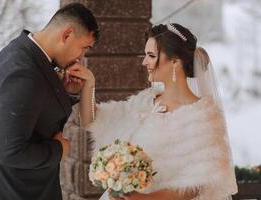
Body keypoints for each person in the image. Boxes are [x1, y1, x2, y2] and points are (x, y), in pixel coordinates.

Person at [79, 23, 238, 199]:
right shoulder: (145, 101)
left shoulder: (203, 116)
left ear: (175, 62)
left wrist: (145, 198)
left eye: (151, 55)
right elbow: (90, 121)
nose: (144, 62)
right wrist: (89, 84)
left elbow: (197, 185)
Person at [0, 3, 98, 200]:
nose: (81, 57)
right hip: (10, 192)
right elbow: (11, 151)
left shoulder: (22, 51)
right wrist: (59, 150)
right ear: (67, 35)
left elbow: (33, 109)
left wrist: (65, 92)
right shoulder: (25, 71)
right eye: (83, 48)